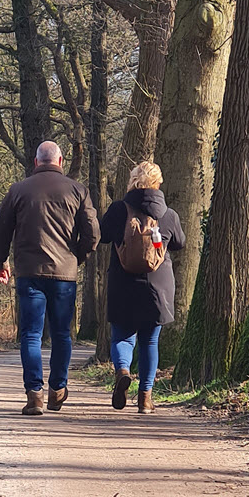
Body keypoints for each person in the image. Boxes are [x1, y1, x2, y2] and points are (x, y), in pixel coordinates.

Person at [0, 140, 99, 415]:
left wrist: (0, 262)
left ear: (36, 162)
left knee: (30, 334)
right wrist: (78, 256)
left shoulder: (18, 190)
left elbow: (2, 230)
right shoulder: (77, 190)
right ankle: (57, 389)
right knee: (62, 334)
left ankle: (34, 394)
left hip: (29, 272)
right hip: (65, 273)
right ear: (60, 161)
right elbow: (93, 233)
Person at [99, 160, 185, 413]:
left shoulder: (118, 210)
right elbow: (179, 243)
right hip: (156, 287)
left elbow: (102, 235)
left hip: (122, 282)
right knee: (149, 341)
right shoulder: (168, 214)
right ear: (158, 183)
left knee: (122, 336)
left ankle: (123, 370)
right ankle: (145, 398)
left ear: (133, 181)